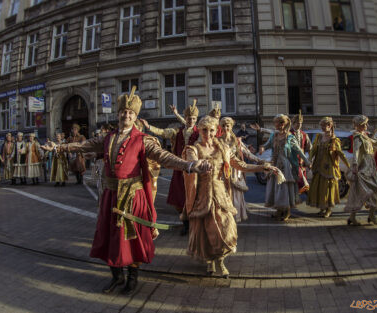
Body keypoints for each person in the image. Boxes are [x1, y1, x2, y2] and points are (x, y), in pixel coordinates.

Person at [41, 86, 211, 295]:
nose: (126, 115)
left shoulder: (142, 139)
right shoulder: (107, 137)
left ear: (135, 116)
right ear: (118, 114)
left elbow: (164, 156)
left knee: (132, 238)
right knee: (110, 236)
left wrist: (190, 166)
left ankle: (132, 276)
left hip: (133, 197)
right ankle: (116, 276)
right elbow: (84, 146)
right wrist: (59, 148)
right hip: (110, 196)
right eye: (123, 112)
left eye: (131, 113)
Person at [183, 115, 279, 278]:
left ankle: (221, 260)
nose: (208, 133)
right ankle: (211, 262)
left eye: (211, 130)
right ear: (200, 130)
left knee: (226, 229)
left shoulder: (223, 149)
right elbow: (191, 163)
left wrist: (262, 167)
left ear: (216, 130)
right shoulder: (194, 149)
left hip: (221, 195)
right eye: (204, 130)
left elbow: (241, 165)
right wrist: (199, 164)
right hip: (203, 195)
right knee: (207, 231)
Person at [141, 100, 200, 235]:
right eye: (189, 118)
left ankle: (194, 225)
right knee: (180, 199)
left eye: (193, 118)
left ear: (196, 119)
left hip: (194, 171)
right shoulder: (176, 132)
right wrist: (149, 127)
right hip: (179, 170)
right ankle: (185, 223)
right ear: (185, 119)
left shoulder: (200, 133)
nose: (191, 120)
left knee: (194, 198)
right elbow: (162, 132)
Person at [345, 115, 377, 226]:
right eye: (365, 124)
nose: (367, 126)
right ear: (360, 126)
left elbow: (373, 144)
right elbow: (356, 151)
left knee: (370, 191)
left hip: (370, 167)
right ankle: (364, 216)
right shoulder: (358, 137)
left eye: (367, 124)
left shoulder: (364, 136)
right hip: (364, 168)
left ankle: (369, 215)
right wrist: (355, 164)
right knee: (370, 191)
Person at [219, 117, 267, 222]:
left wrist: (260, 161)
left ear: (231, 126)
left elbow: (247, 154)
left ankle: (235, 215)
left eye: (228, 126)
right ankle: (225, 216)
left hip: (236, 170)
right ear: (221, 127)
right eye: (223, 126)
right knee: (224, 193)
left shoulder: (237, 141)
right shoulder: (218, 141)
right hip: (223, 171)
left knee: (235, 194)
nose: (226, 128)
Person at [263, 114, 310, 221]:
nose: (276, 125)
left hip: (285, 166)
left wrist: (307, 161)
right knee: (275, 187)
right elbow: (267, 145)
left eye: (278, 123)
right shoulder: (274, 135)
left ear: (283, 124)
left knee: (284, 189)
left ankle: (287, 210)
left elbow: (298, 150)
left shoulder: (290, 137)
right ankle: (279, 210)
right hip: (275, 164)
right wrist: (262, 148)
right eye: (275, 123)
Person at [307, 117, 350, 218]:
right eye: (321, 125)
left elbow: (340, 153)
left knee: (327, 189)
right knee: (319, 188)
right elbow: (313, 149)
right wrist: (309, 159)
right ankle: (322, 208)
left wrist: (349, 165)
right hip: (318, 166)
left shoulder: (334, 140)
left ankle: (328, 209)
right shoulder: (319, 137)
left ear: (329, 126)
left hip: (328, 167)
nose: (321, 128)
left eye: (323, 126)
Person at [290, 111, 312, 193]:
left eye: (301, 123)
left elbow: (310, 148)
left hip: (301, 162)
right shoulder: (288, 133)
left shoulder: (304, 135)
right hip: (291, 162)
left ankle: (296, 197)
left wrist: (310, 159)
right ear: (293, 123)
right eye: (297, 123)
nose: (299, 125)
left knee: (301, 182)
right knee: (293, 182)